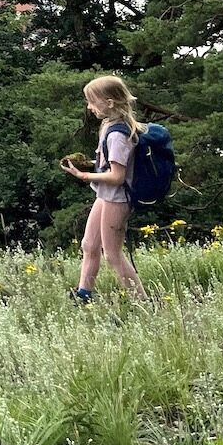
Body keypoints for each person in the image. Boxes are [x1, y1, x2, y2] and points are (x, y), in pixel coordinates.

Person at [61, 74, 146, 302]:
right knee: (89, 245)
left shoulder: (118, 134)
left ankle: (143, 303)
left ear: (109, 102)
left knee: (112, 255)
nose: (89, 108)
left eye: (92, 101)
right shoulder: (109, 125)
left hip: (117, 198)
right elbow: (109, 164)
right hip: (105, 194)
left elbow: (118, 176)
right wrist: (89, 165)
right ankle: (84, 294)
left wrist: (84, 175)